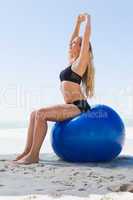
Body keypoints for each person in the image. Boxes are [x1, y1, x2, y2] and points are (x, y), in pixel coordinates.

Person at [13, 13, 95, 165]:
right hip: (70, 105)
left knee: (41, 114)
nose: (71, 45)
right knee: (34, 114)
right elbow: (71, 40)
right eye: (72, 44)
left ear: (82, 47)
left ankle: (34, 155)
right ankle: (27, 151)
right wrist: (77, 22)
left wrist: (88, 20)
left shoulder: (82, 62)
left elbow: (86, 36)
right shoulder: (72, 61)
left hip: (79, 106)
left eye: (75, 43)